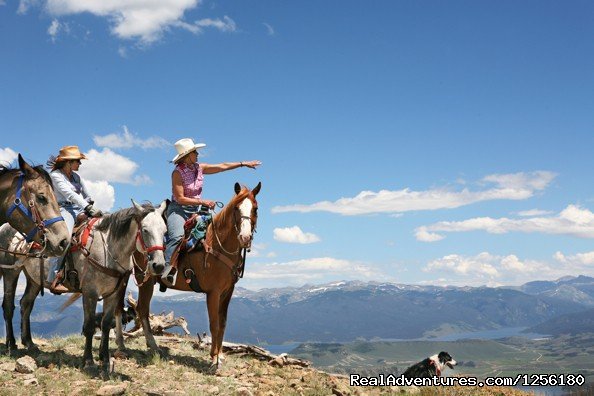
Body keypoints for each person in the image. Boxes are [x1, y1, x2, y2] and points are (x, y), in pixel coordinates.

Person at [159, 137, 261, 286]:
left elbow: (222, 166)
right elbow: (180, 198)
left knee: (219, 231)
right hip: (179, 210)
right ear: (187, 156)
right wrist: (203, 201)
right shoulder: (177, 173)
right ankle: (167, 269)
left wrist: (243, 164)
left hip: (196, 210)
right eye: (194, 152)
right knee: (177, 236)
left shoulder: (200, 168)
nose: (197, 154)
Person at [46, 145, 103, 293]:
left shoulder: (77, 177)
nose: (80, 164)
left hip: (80, 208)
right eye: (77, 161)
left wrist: (89, 205)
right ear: (68, 162)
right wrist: (87, 208)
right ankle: (53, 278)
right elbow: (69, 195)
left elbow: (86, 195)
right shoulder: (56, 175)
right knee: (63, 239)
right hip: (63, 209)